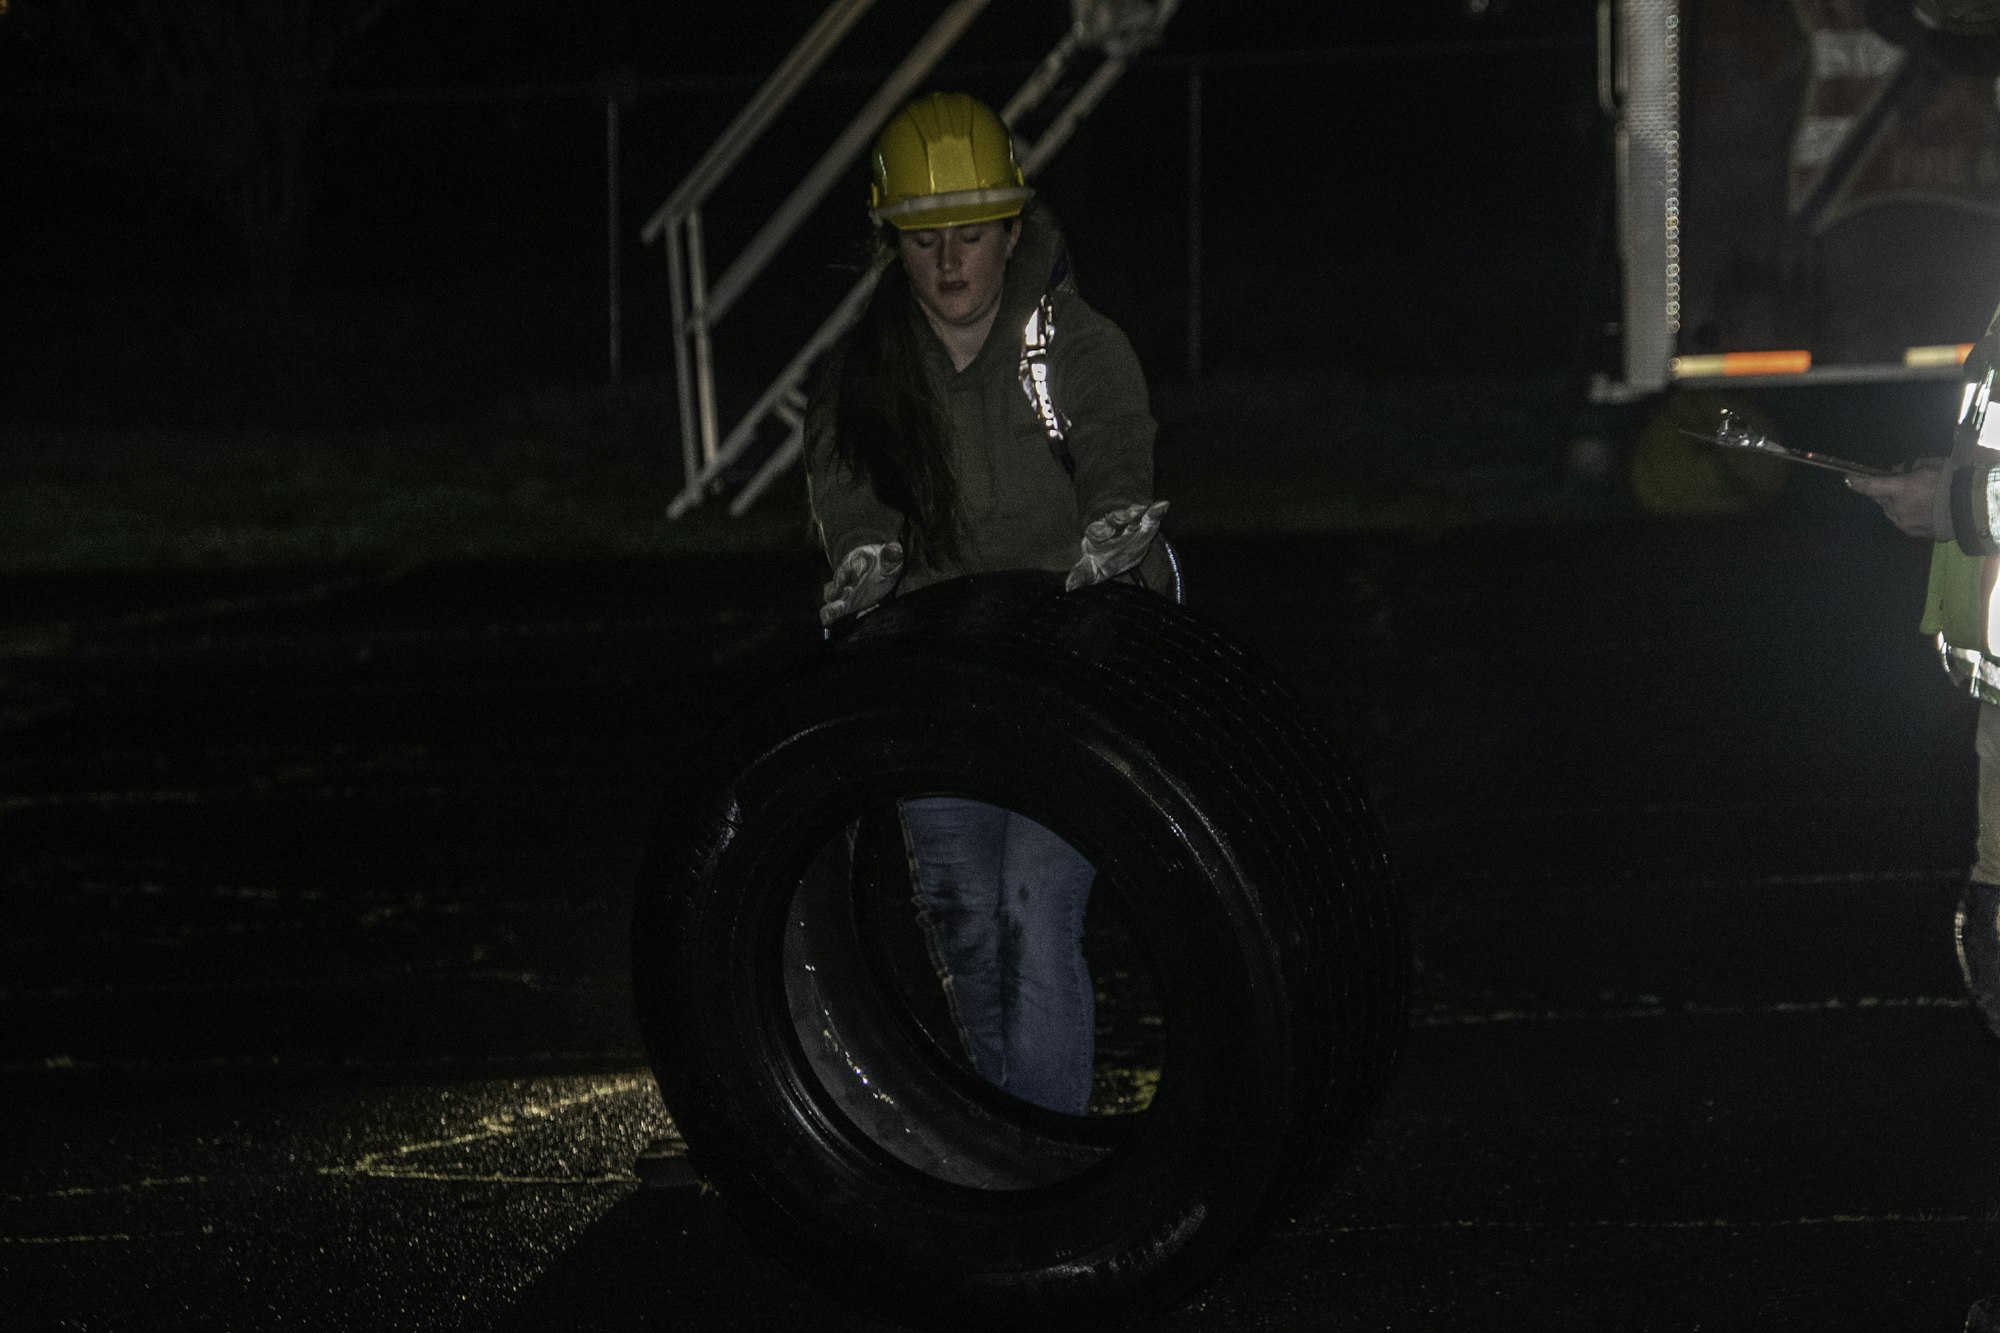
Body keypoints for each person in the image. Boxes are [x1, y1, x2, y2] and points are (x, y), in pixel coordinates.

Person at [803, 91, 1172, 1115]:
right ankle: (1008, 1155)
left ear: (1013, 229)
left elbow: (1112, 439)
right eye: (924, 240)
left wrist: (1113, 520)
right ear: (891, 241)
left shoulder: (1074, 344)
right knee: (964, 915)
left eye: (971, 234)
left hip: (1077, 663)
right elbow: (849, 498)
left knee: (1029, 909)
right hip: (943, 672)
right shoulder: (855, 376)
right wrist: (866, 560)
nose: (950, 262)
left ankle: (1040, 1158)